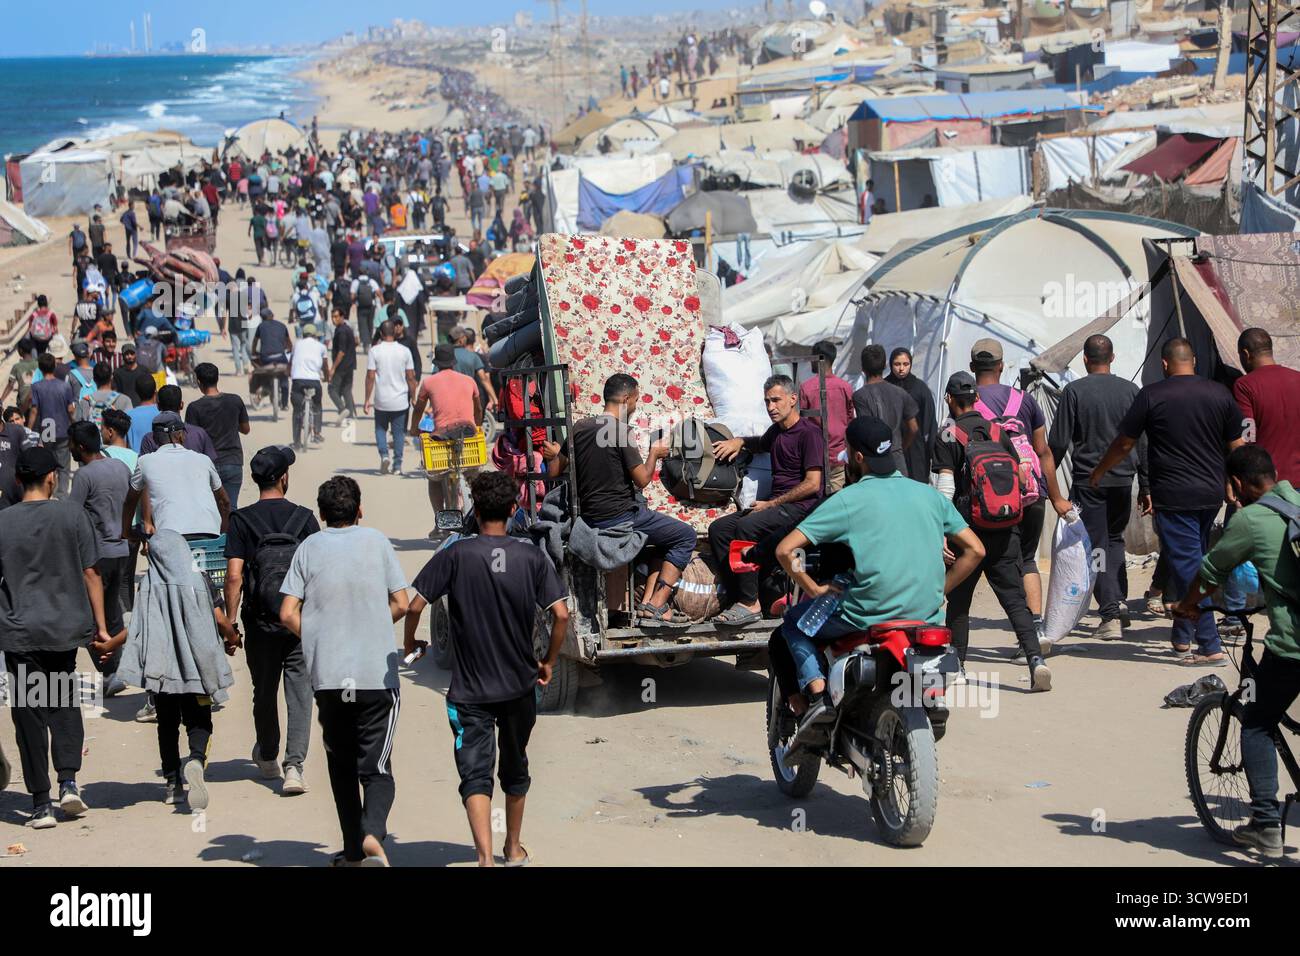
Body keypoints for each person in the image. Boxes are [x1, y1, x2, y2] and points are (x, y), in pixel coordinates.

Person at [773, 417, 983, 741]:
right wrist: (940, 589)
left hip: (867, 613)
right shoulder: (928, 495)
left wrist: (813, 588)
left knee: (794, 624)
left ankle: (816, 697)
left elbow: (786, 550)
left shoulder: (849, 499)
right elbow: (975, 550)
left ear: (857, 457)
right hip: (925, 614)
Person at [404, 471, 569, 866]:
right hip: (518, 685)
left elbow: (414, 605)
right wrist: (547, 661)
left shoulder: (456, 555)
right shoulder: (531, 557)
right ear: (514, 511)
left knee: (475, 774)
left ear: (476, 512)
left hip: (469, 692)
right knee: (515, 767)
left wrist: (412, 644)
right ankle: (512, 848)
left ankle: (484, 859)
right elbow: (561, 615)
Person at [1172, 445, 1300, 859]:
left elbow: (1211, 571)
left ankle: (1265, 825)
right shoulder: (1297, 499)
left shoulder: (1249, 518)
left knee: (1257, 721)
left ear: (1238, 485)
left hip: (1293, 646)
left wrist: (1190, 606)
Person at [279, 476, 409, 867]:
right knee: (377, 766)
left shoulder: (308, 548)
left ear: (320, 514)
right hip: (374, 678)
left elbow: (287, 613)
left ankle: (353, 852)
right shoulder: (377, 541)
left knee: (341, 765)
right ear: (360, 509)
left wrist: (319, 635)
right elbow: (401, 603)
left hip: (330, 678)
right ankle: (372, 834)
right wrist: (369, 625)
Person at [1093, 338, 1245, 665]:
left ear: (1164, 364)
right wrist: (1236, 483)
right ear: (1194, 362)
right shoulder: (1220, 394)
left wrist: (1099, 471)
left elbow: (1124, 444)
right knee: (1189, 560)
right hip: (1209, 495)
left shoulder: (1152, 395)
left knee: (1188, 565)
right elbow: (1238, 445)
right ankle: (1180, 636)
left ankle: (1208, 644)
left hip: (1175, 496)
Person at [0, 447, 109, 828]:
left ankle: (40, 803)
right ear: (52, 478)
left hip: (18, 632)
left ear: (18, 481)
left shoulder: (3, 522)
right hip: (64, 630)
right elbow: (91, 573)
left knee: (28, 712)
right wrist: (102, 628)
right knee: (63, 701)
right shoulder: (71, 514)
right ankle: (69, 783)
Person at [545, 373, 696, 626]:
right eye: (636, 401)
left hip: (591, 517)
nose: (636, 408)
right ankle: (658, 604)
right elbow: (642, 480)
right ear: (626, 399)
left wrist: (555, 454)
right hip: (623, 517)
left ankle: (648, 604)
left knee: (662, 538)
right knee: (685, 535)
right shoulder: (620, 432)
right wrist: (654, 454)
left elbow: (553, 471)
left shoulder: (580, 427)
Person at [105, 528, 239, 810]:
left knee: (167, 726)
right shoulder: (199, 580)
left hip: (162, 674)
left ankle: (172, 784)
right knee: (199, 721)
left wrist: (109, 646)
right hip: (196, 672)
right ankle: (196, 759)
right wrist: (233, 638)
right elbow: (220, 620)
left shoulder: (150, 584)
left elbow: (136, 626)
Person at [934, 371, 1052, 690]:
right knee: (1014, 599)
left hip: (966, 532)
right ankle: (1035, 660)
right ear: (976, 398)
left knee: (959, 599)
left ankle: (956, 664)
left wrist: (943, 532)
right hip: (1005, 527)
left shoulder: (948, 432)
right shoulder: (998, 430)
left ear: (949, 399)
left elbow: (945, 485)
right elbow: (1021, 478)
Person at [224, 446, 320, 797]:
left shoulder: (241, 519)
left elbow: (234, 576)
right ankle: (294, 768)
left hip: (259, 622)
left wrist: (231, 625)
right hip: (298, 622)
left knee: (263, 692)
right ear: (284, 477)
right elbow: (318, 571)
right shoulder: (305, 518)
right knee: (300, 694)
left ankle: (267, 756)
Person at [968, 338, 1070, 646]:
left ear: (973, 368)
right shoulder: (1025, 401)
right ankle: (1036, 627)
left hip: (990, 500)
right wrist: (1055, 497)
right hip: (1030, 493)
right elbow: (1043, 452)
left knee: (989, 563)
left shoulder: (967, 403)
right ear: (1001, 366)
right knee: (1027, 559)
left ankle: (1014, 632)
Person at [1046, 334, 1146, 640]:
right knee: (1114, 539)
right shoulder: (1132, 391)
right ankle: (1119, 599)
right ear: (1112, 358)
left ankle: (1110, 616)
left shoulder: (1074, 391)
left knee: (1098, 545)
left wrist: (1049, 484)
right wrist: (1147, 484)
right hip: (1123, 479)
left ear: (1085, 360)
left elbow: (1058, 443)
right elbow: (1142, 441)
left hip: (1090, 480)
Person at [707, 375, 825, 626]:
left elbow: (813, 484)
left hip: (801, 509)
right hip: (777, 505)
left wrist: (771, 504)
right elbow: (759, 443)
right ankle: (738, 595)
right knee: (719, 529)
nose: (771, 407)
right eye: (767, 402)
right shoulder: (777, 432)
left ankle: (751, 604)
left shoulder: (809, 433)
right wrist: (739, 441)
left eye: (776, 400)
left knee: (746, 526)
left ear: (793, 399)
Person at [67, 422, 132, 698]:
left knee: (90, 619)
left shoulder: (84, 476)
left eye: (71, 444)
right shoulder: (120, 466)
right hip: (122, 552)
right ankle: (117, 671)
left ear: (81, 447)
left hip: (97, 557)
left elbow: (71, 517)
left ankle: (110, 673)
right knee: (112, 612)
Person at [122, 414, 230, 539]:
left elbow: (130, 500)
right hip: (209, 532)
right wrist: (223, 531)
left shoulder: (145, 461)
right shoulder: (204, 460)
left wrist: (126, 532)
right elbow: (224, 501)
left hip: (170, 535)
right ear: (181, 435)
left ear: (155, 439)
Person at [410, 344, 481, 521]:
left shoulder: (428, 382)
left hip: (442, 435)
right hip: (468, 433)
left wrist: (413, 429)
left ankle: (439, 520)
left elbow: (419, 409)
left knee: (434, 477)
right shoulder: (469, 380)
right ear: (453, 361)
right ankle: (481, 514)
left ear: (437, 362)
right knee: (474, 477)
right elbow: (478, 408)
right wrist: (477, 426)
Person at [1234, 327, 1300, 484]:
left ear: (1246, 354)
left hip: (1267, 482)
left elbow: (1247, 436)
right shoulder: (1297, 378)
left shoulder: (1244, 385)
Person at [186, 363, 250, 507]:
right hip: (233, 462)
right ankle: (230, 530)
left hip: (207, 464)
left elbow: (192, 439)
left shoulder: (194, 408)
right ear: (217, 378)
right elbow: (246, 429)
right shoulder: (235, 400)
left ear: (199, 382)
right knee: (231, 506)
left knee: (210, 509)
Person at [797, 340, 855, 492]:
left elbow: (801, 423)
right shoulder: (845, 387)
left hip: (814, 457)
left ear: (817, 359)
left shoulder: (806, 387)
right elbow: (850, 420)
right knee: (837, 499)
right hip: (839, 456)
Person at [852, 344, 917, 476]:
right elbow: (913, 428)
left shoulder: (860, 396)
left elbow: (865, 430)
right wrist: (900, 447)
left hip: (874, 461)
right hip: (898, 458)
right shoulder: (900, 393)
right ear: (885, 366)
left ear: (863, 369)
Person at [364, 320, 417, 476]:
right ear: (395, 332)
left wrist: (367, 399)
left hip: (381, 400)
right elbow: (411, 377)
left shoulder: (375, 351)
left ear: (381, 333)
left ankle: (384, 454)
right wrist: (414, 397)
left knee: (380, 429)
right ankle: (397, 465)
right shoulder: (404, 351)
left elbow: (370, 376)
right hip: (400, 400)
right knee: (398, 433)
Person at [27, 352, 77, 496]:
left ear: (40, 368)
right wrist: (74, 424)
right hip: (63, 430)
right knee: (63, 466)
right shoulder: (65, 386)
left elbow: (34, 410)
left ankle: (48, 492)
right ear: (54, 366)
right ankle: (62, 495)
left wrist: (29, 430)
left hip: (46, 431)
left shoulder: (36, 387)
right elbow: (70, 409)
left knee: (48, 465)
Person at [885, 347, 937, 483]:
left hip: (916, 450)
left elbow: (930, 422)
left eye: (905, 364)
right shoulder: (884, 387)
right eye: (897, 364)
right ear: (891, 365)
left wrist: (930, 451)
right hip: (890, 447)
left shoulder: (920, 388)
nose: (901, 368)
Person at [138, 385, 218, 461]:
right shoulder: (199, 434)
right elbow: (212, 463)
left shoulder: (149, 439)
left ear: (158, 406)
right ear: (181, 405)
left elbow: (142, 469)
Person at [289, 324, 331, 451]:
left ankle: (296, 442)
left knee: (297, 410)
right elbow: (325, 366)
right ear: (314, 335)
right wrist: (327, 378)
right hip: (314, 381)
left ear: (303, 334)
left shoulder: (297, 344)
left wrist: (289, 373)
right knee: (317, 404)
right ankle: (317, 433)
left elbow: (291, 361)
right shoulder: (321, 346)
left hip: (298, 380)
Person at [251, 308, 292, 412]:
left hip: (266, 357)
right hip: (280, 357)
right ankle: (285, 404)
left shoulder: (261, 327)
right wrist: (289, 349)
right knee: (284, 377)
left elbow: (255, 342)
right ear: (272, 316)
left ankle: (265, 387)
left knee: (264, 372)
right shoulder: (282, 326)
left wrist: (254, 352)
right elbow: (289, 342)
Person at [74, 361, 132, 426]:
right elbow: (130, 426)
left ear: (94, 379)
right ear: (111, 377)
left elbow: (77, 427)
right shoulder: (125, 400)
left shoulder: (84, 401)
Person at [328, 306, 359, 420]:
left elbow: (341, 352)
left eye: (336, 317)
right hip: (350, 365)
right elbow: (356, 342)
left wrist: (333, 368)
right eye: (332, 317)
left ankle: (342, 409)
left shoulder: (341, 331)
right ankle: (350, 414)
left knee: (332, 389)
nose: (333, 319)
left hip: (342, 366)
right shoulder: (347, 329)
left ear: (342, 317)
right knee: (346, 389)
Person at [125, 371, 160, 453]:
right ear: (155, 391)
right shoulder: (163, 413)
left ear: (136, 392)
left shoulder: (128, 416)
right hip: (160, 463)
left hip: (137, 463)